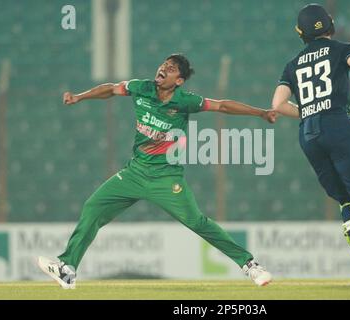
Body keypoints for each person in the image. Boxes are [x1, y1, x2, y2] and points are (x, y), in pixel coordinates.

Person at [37, 53, 275, 289]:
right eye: (164, 64)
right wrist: (79, 97)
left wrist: (261, 112)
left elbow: (222, 105)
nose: (164, 68)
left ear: (179, 80)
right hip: (134, 173)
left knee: (197, 222)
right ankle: (67, 268)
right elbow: (111, 89)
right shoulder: (142, 88)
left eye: (171, 68)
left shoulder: (185, 100)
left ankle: (251, 265)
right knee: (93, 207)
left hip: (166, 178)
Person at [271, 4, 350, 284]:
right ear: (331, 25)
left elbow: (278, 104)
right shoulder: (340, 49)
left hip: (308, 134)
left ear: (300, 33)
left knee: (345, 198)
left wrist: (313, 110)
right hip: (336, 126)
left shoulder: (292, 64)